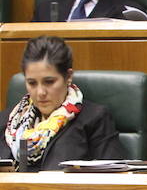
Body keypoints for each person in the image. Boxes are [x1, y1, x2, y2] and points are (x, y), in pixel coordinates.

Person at [0, 36, 125, 171]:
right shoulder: (7, 123)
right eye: (32, 83)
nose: (40, 92)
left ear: (68, 76)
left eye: (49, 82)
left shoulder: (94, 119)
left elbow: (113, 181)